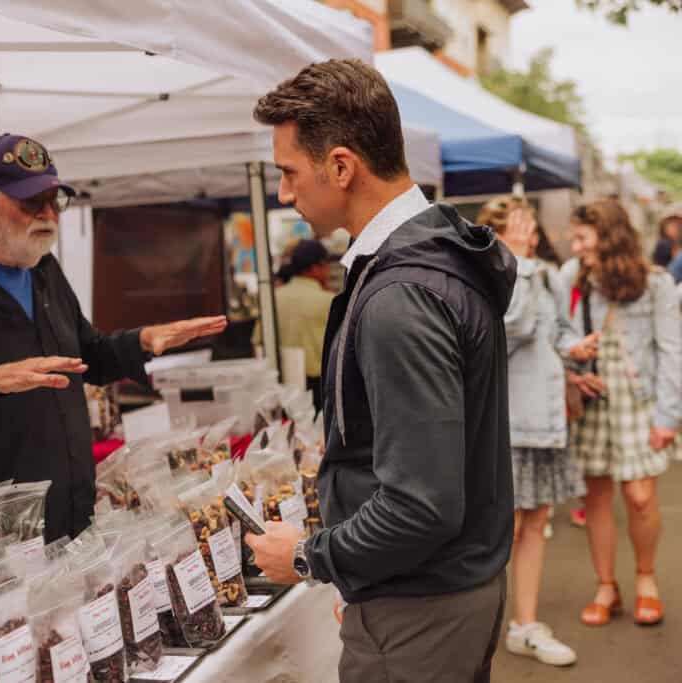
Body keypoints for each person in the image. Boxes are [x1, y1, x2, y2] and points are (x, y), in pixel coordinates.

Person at [243, 58, 516, 682]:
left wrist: (313, 558)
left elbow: (421, 505)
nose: (284, 194)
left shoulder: (402, 293)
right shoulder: (427, 259)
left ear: (341, 166)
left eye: (288, 173)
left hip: (422, 605)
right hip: (432, 591)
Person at [0, 133, 227, 587]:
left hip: (65, 528)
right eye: (31, 203)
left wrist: (142, 342)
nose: (48, 216)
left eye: (54, 201)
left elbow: (84, 356)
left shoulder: (43, 270)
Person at [478, 196, 596, 667]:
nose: (530, 228)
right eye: (519, 222)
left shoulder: (543, 274)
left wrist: (577, 348)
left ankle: (523, 624)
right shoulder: (496, 278)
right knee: (502, 528)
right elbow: (514, 331)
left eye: (529, 221)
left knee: (535, 525)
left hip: (545, 421)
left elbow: (555, 331)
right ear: (497, 233)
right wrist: (521, 267)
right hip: (510, 423)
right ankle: (484, 623)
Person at [566, 198, 680, 628]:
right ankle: (606, 586)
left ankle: (646, 579)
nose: (575, 247)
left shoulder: (655, 284)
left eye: (582, 237)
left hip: (638, 400)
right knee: (595, 496)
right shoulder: (577, 280)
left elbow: (672, 350)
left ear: (607, 236)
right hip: (594, 399)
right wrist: (573, 365)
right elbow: (563, 334)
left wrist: (669, 417)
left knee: (640, 496)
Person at [273, 239, 334, 411]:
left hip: (282, 383)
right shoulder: (328, 301)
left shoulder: (274, 299)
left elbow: (257, 342)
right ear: (316, 268)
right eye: (326, 266)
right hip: (319, 387)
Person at [659, 205, 682, 280]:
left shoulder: (676, 242)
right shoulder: (664, 244)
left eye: (678, 225)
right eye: (672, 224)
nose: (676, 228)